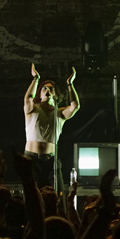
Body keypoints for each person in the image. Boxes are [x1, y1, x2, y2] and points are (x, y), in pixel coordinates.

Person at [24, 63, 80, 191]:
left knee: (56, 195)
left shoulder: (59, 113)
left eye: (51, 88)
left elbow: (75, 106)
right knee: (32, 194)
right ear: (40, 94)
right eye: (44, 88)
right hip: (31, 159)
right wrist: (35, 79)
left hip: (51, 161)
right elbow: (28, 98)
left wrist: (70, 84)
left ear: (55, 94)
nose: (48, 90)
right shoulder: (33, 109)